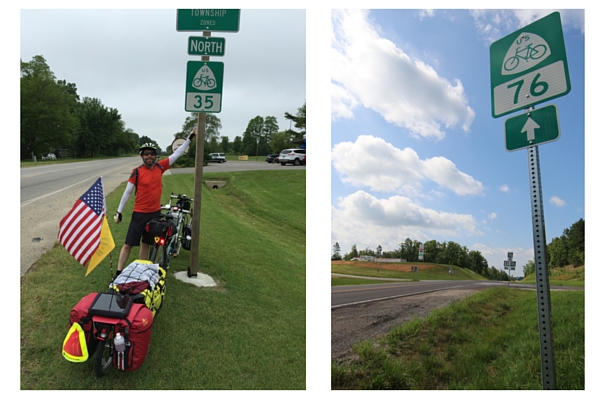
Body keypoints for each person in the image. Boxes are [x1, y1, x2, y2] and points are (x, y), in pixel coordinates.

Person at [113, 128, 196, 275]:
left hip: (154, 214)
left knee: (146, 243)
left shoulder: (160, 167)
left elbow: (177, 153)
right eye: (146, 154)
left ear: (155, 156)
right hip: (139, 213)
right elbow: (127, 193)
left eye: (151, 154)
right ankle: (119, 273)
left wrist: (189, 139)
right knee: (128, 244)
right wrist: (119, 211)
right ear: (142, 156)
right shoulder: (136, 172)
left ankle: (141, 271)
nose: (149, 156)